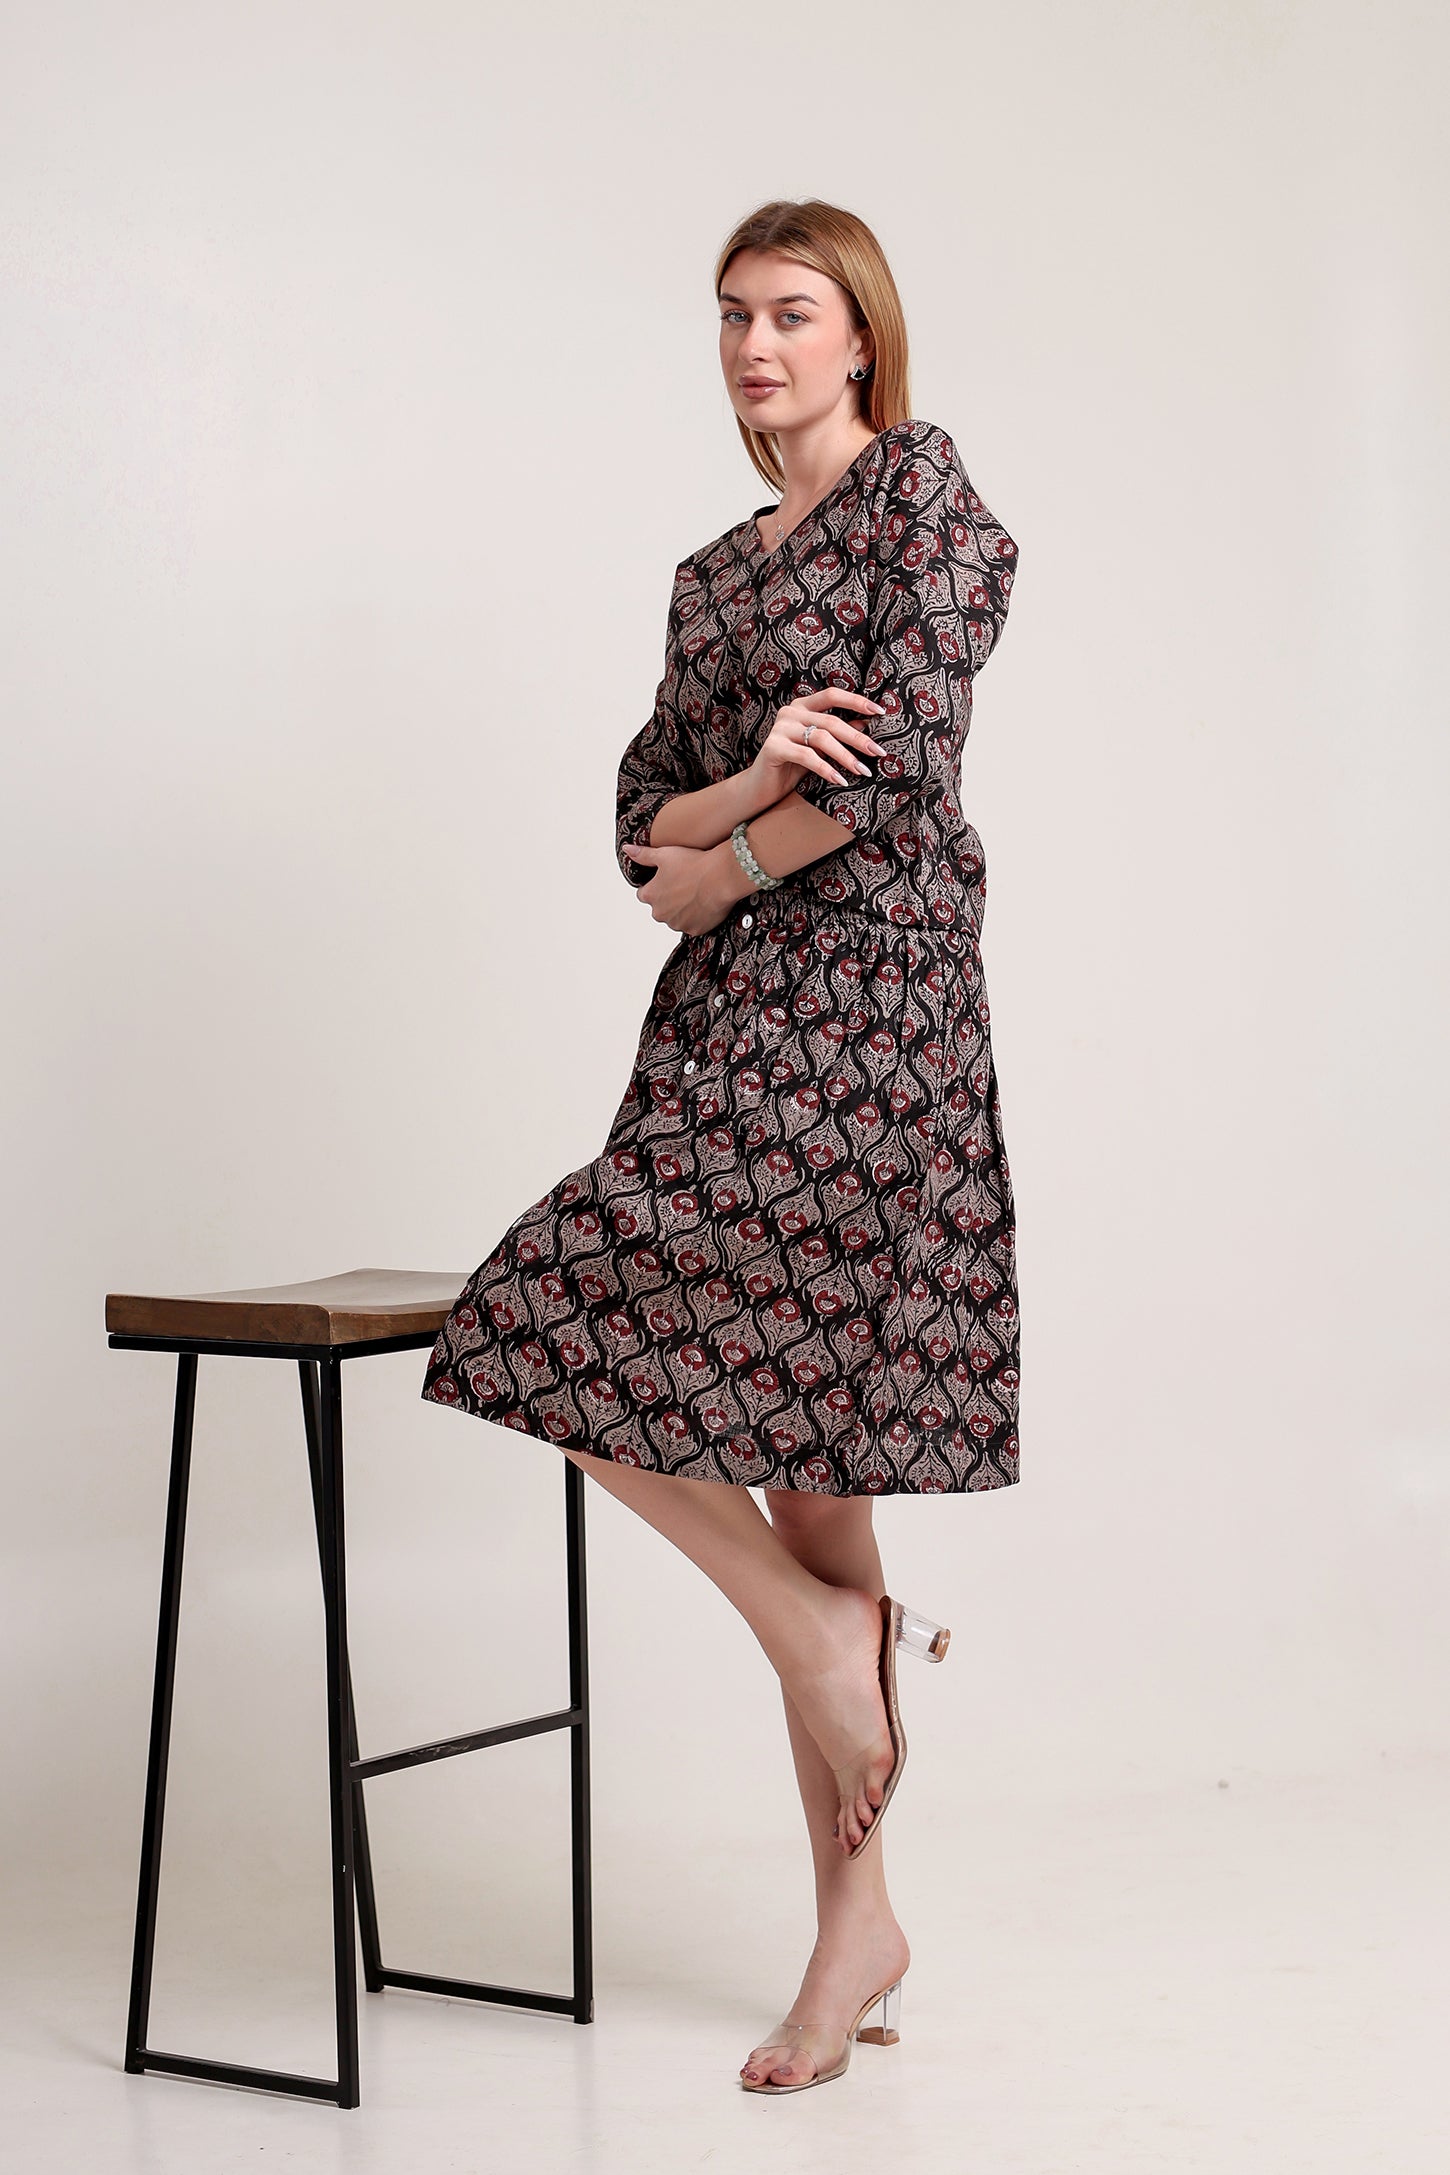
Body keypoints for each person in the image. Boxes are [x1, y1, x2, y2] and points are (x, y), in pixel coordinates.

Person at [421, 196, 1021, 2094]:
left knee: (634, 1349)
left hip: (874, 1019)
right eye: (731, 320)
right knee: (723, 1425)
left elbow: (898, 771)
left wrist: (720, 854)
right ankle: (854, 1894)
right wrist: (753, 786)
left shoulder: (920, 497)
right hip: (721, 1029)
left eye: (794, 314)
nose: (757, 348)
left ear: (861, 339)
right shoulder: (709, 580)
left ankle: (824, 1664)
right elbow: (634, 841)